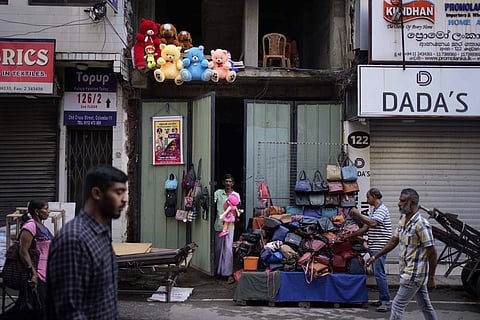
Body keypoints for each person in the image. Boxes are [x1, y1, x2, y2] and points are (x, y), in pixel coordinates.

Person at [46, 164, 128, 319]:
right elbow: (69, 312)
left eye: (125, 192)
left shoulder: (101, 233)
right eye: (119, 192)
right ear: (97, 193)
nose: (124, 200)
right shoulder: (74, 240)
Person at [366, 188, 438, 320]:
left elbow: (432, 252)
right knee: (425, 306)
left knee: (397, 306)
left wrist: (432, 277)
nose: (399, 203)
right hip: (409, 272)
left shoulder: (421, 224)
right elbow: (393, 241)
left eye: (403, 201)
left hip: (413, 274)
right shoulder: (403, 219)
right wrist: (375, 256)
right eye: (400, 200)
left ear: (413, 202)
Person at [344, 188, 392, 312]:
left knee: (379, 274)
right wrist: (349, 236)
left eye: (368, 197)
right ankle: (382, 299)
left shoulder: (381, 209)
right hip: (375, 246)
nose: (367, 200)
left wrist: (357, 213)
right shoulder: (375, 210)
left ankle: (386, 302)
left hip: (380, 247)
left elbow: (372, 223)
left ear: (375, 197)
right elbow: (365, 227)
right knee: (378, 273)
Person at [7, 200, 53, 320]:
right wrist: (33, 272)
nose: (49, 211)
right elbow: (23, 251)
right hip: (38, 274)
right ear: (37, 212)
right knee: (36, 310)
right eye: (46, 208)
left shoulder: (43, 226)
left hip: (46, 274)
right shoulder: (30, 226)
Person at [214, 174, 241, 283]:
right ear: (223, 182)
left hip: (230, 226)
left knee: (228, 250)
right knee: (218, 249)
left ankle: (228, 274)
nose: (228, 183)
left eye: (230, 181)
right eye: (226, 181)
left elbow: (237, 209)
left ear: (233, 183)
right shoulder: (218, 193)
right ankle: (217, 272)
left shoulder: (236, 195)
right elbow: (211, 204)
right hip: (219, 225)